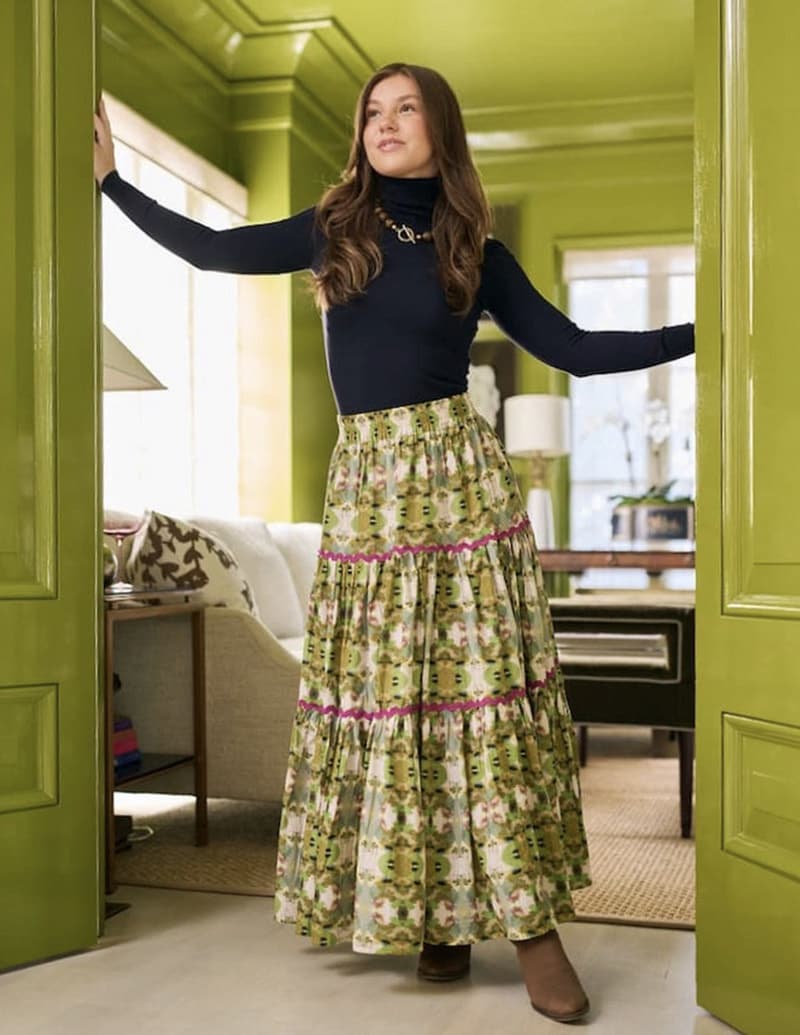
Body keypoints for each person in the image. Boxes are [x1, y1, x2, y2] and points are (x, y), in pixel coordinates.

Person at [94, 62, 694, 1024]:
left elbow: (576, 350)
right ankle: (433, 917)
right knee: (395, 705)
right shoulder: (337, 227)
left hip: (463, 489)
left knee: (479, 701)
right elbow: (211, 249)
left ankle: (532, 927)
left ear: (440, 128)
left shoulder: (477, 251)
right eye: (372, 110)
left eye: (405, 107)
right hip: (371, 497)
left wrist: (698, 332)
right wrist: (114, 184)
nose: (384, 122)